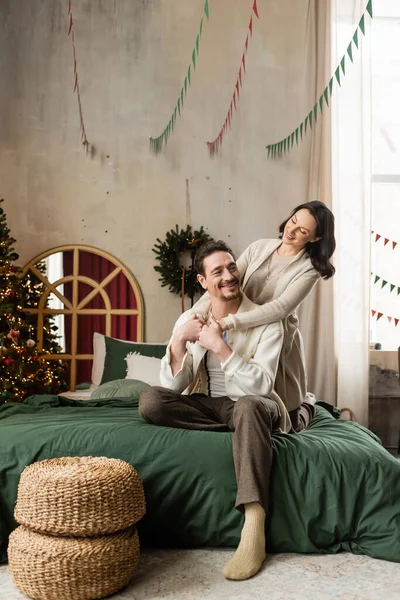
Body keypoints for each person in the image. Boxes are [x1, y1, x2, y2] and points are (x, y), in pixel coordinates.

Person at [139, 240, 311, 581]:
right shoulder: (192, 318)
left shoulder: (266, 321)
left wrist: (221, 348)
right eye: (217, 271)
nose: (228, 276)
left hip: (253, 402)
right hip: (210, 405)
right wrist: (176, 343)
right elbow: (173, 388)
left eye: (231, 267)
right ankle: (249, 434)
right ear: (204, 282)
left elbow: (261, 386)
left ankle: (253, 521)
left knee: (247, 406)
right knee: (151, 401)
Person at [193, 200, 336, 424]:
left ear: (315, 238)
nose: (292, 230)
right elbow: (223, 282)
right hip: (245, 334)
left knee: (284, 415)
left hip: (276, 339)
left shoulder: (310, 269)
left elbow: (281, 308)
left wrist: (230, 322)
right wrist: (193, 315)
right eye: (293, 221)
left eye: (302, 231)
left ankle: (307, 405)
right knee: (246, 400)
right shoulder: (258, 247)